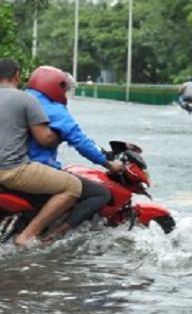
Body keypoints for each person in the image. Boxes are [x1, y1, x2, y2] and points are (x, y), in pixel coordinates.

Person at [0, 57, 82, 247]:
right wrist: (63, 134)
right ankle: (28, 235)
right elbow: (44, 138)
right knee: (73, 186)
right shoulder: (26, 99)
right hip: (8, 169)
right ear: (17, 76)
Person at [25, 66, 124, 241]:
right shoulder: (54, 109)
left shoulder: (22, 100)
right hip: (38, 169)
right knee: (100, 193)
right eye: (64, 89)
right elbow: (80, 141)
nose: (65, 94)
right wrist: (108, 163)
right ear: (55, 86)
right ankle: (54, 235)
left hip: (7, 164)